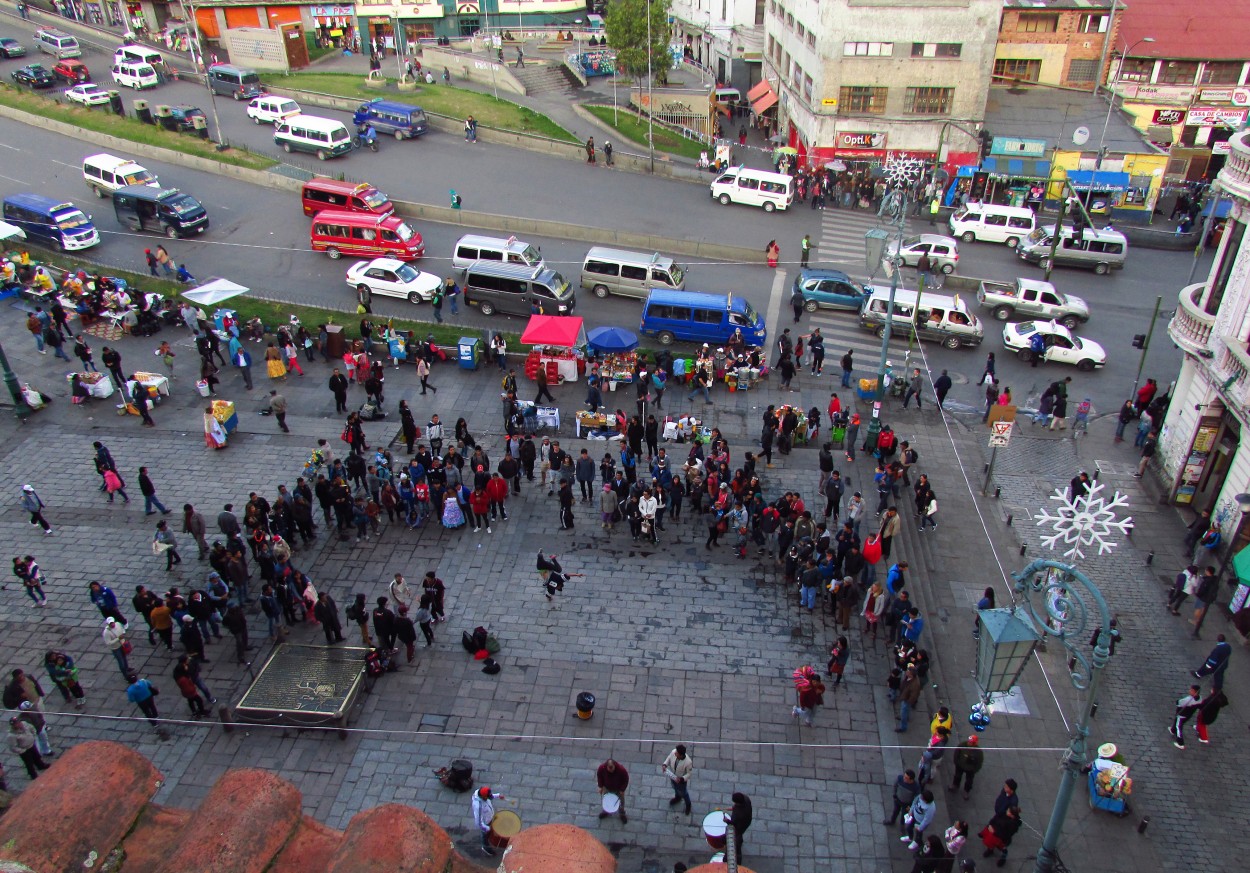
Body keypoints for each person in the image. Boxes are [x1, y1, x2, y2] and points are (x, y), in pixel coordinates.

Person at [472, 785, 505, 856]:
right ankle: (485, 848)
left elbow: (491, 796)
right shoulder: (478, 806)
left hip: (490, 817)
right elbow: (478, 822)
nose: (489, 798)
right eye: (487, 797)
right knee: (485, 836)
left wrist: (498, 796)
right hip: (485, 823)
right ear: (483, 797)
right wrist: (487, 828)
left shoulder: (481, 794)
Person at [661, 744, 694, 814]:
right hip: (673, 776)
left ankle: (688, 804)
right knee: (675, 788)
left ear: (681, 755)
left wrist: (682, 779)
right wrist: (665, 765)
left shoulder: (688, 762)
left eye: (677, 753)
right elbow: (668, 758)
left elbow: (689, 774)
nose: (675, 753)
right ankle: (678, 797)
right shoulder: (673, 752)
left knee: (684, 793)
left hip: (681, 781)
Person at [950, 735, 984, 799]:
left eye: (971, 742)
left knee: (969, 781)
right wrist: (956, 762)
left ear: (974, 743)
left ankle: (966, 791)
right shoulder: (962, 745)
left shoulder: (978, 752)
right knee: (957, 776)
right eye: (969, 741)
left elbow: (979, 762)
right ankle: (955, 785)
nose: (969, 743)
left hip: (970, 769)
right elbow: (956, 753)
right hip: (960, 765)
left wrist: (975, 770)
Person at [596, 758, 629, 823]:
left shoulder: (621, 770)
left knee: (621, 802)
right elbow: (599, 776)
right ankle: (606, 811)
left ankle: (622, 813)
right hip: (607, 788)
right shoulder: (601, 768)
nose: (611, 770)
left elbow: (626, 779)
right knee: (607, 800)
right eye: (609, 769)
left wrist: (622, 789)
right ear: (606, 766)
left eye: (612, 768)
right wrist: (600, 786)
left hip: (618, 789)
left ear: (614, 765)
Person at [1170, 684, 1202, 749]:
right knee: (1177, 723)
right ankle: (1173, 730)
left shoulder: (1189, 699)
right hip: (1188, 715)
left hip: (1182, 715)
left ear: (1194, 692)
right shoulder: (1200, 699)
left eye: (1191, 690)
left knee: (1178, 727)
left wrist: (1177, 702)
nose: (1189, 691)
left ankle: (1180, 743)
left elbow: (1179, 703)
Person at [725, 791, 752, 859]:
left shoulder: (739, 814)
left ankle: (738, 844)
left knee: (737, 834)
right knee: (740, 833)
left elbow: (733, 823)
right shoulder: (746, 799)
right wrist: (734, 808)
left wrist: (726, 821)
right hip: (747, 821)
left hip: (740, 825)